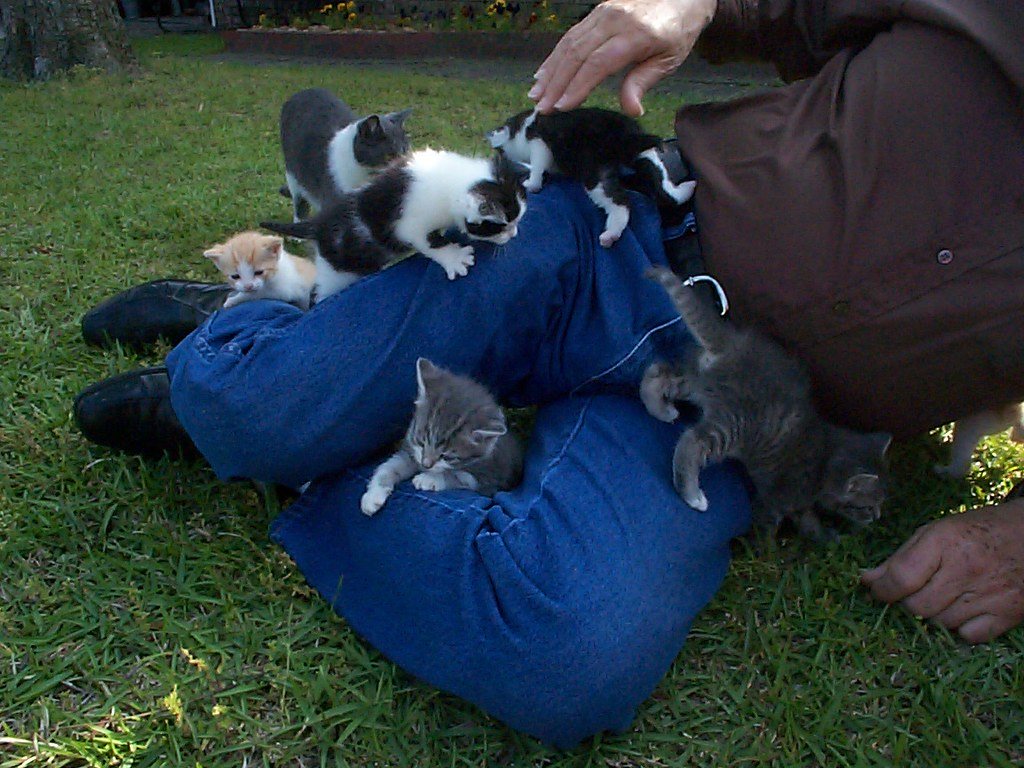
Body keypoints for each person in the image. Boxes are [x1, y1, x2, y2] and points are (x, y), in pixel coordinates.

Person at [73, 0, 1023, 746]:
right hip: (614, 243)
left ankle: (331, 420)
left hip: (735, 424)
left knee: (565, 651)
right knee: (245, 407)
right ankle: (270, 319)